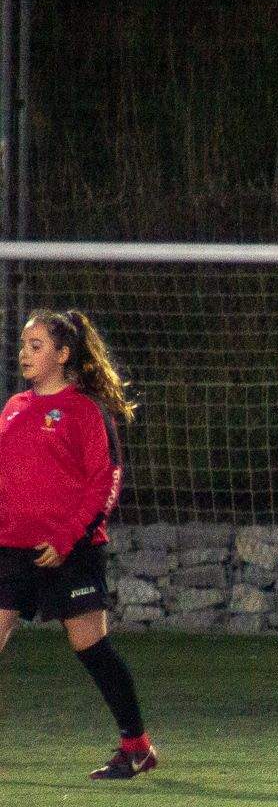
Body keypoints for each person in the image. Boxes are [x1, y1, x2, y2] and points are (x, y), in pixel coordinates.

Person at [0, 309, 158, 779]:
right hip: (11, 549)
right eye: (24, 345)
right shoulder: (11, 407)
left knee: (89, 645)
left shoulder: (85, 411)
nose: (24, 354)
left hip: (72, 552)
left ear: (63, 354)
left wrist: (69, 539)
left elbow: (104, 482)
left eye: (36, 346)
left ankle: (137, 746)